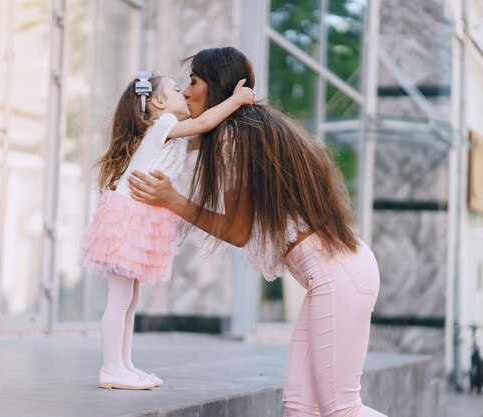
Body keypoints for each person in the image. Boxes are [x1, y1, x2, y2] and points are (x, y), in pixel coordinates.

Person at [128, 47, 387, 416]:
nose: (186, 92)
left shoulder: (237, 139)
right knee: (300, 406)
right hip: (336, 272)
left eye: (193, 81)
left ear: (215, 86)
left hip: (339, 273)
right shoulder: (246, 130)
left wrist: (173, 199)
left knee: (342, 409)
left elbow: (237, 231)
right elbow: (179, 142)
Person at [79, 71, 254, 390]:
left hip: (140, 217)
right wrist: (235, 100)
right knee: (119, 300)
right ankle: (111, 367)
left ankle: (124, 364)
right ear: (158, 101)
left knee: (129, 300)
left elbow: (204, 133)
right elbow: (204, 124)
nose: (183, 93)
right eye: (176, 89)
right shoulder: (163, 125)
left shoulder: (170, 133)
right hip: (128, 217)